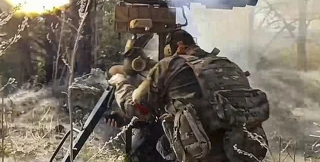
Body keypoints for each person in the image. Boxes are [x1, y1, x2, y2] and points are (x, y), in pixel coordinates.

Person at [108, 29, 270, 162]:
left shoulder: (170, 65)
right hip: (241, 154)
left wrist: (120, 82)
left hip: (202, 155)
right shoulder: (229, 66)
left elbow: (135, 107)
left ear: (179, 47)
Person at [104, 34, 171, 162]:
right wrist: (123, 119)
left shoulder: (168, 72)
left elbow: (136, 108)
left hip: (169, 137)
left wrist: (120, 82)